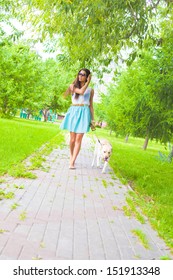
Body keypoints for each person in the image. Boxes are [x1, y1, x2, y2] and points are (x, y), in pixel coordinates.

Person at [60, 68, 95, 169]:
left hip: (84, 113)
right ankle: (72, 156)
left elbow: (91, 106)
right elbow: (81, 92)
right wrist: (88, 82)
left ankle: (72, 161)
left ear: (87, 76)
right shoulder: (73, 86)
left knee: (79, 138)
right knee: (72, 139)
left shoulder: (91, 90)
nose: (80, 76)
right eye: (79, 74)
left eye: (83, 74)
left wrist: (93, 120)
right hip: (74, 112)